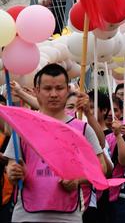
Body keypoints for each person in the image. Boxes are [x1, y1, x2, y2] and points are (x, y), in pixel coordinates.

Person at [5, 64, 106, 223]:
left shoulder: (82, 129)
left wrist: (78, 179)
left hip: (68, 214)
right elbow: (12, 164)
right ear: (37, 90)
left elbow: (102, 167)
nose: (53, 94)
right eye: (47, 88)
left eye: (59, 88)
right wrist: (13, 172)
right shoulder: (23, 127)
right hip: (26, 212)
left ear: (67, 90)